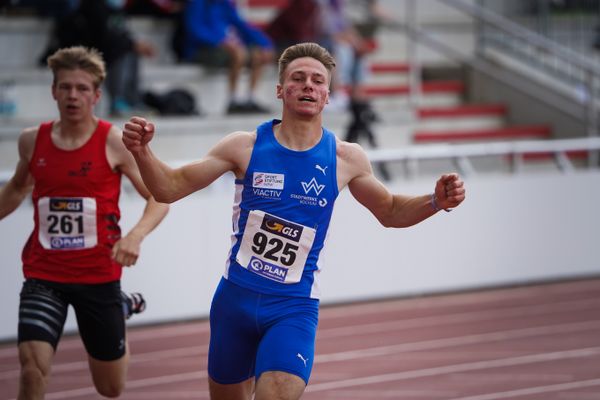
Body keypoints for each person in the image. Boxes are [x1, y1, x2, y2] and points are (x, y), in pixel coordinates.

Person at [122, 42, 465, 399]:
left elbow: (391, 211)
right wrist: (142, 152)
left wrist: (434, 201)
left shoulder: (346, 158)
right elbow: (168, 188)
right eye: (298, 78)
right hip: (234, 303)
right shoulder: (245, 146)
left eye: (318, 80)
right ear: (280, 89)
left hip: (293, 308)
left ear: (328, 95)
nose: (308, 85)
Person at [0, 46, 169, 399]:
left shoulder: (113, 143)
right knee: (32, 369)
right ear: (53, 92)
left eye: (81, 88)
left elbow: (159, 197)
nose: (72, 95)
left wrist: (135, 236)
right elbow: (16, 189)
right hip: (44, 274)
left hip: (98, 276)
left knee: (110, 387)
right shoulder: (32, 141)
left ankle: (120, 306)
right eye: (65, 87)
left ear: (96, 96)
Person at [180, 0, 274, 114]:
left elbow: (241, 25)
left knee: (258, 54)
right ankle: (232, 100)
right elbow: (195, 29)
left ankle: (250, 99)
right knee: (238, 53)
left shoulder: (223, 3)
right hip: (202, 50)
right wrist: (220, 42)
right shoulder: (197, 3)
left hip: (224, 48)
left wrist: (265, 44)